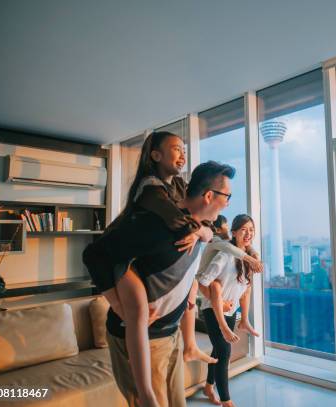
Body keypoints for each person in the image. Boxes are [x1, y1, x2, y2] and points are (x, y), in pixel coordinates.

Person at [84, 159, 235, 407]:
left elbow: (199, 244)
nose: (228, 202)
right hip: (142, 338)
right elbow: (93, 255)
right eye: (227, 196)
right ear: (209, 195)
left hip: (170, 334)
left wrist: (202, 232)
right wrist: (119, 306)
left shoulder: (200, 226)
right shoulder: (159, 226)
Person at [197, 214, 261, 407]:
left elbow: (245, 289)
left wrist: (241, 314)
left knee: (218, 350)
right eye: (243, 229)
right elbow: (203, 282)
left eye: (251, 229)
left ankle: (209, 386)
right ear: (234, 232)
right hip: (212, 309)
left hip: (231, 310)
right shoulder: (225, 255)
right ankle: (226, 400)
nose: (248, 233)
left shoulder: (250, 256)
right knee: (225, 351)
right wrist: (221, 303)